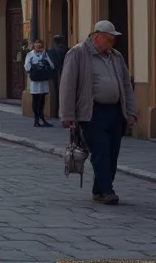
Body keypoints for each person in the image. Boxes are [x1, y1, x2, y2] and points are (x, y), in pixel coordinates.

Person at [59, 20, 137, 205]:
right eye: (108, 39)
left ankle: (99, 189)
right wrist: (67, 114)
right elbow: (68, 85)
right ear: (96, 36)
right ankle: (106, 190)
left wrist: (131, 112)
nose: (112, 43)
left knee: (112, 153)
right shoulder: (78, 53)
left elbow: (126, 85)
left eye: (113, 40)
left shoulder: (116, 56)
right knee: (101, 151)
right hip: (92, 112)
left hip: (115, 112)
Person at [23, 40, 55, 128]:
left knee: (42, 100)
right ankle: (36, 119)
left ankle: (42, 118)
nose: (38, 47)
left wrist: (45, 56)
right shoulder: (30, 54)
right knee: (36, 100)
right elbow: (26, 66)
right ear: (34, 46)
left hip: (43, 81)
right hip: (35, 82)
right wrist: (35, 66)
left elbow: (52, 66)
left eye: (40, 46)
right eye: (37, 45)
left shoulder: (44, 55)